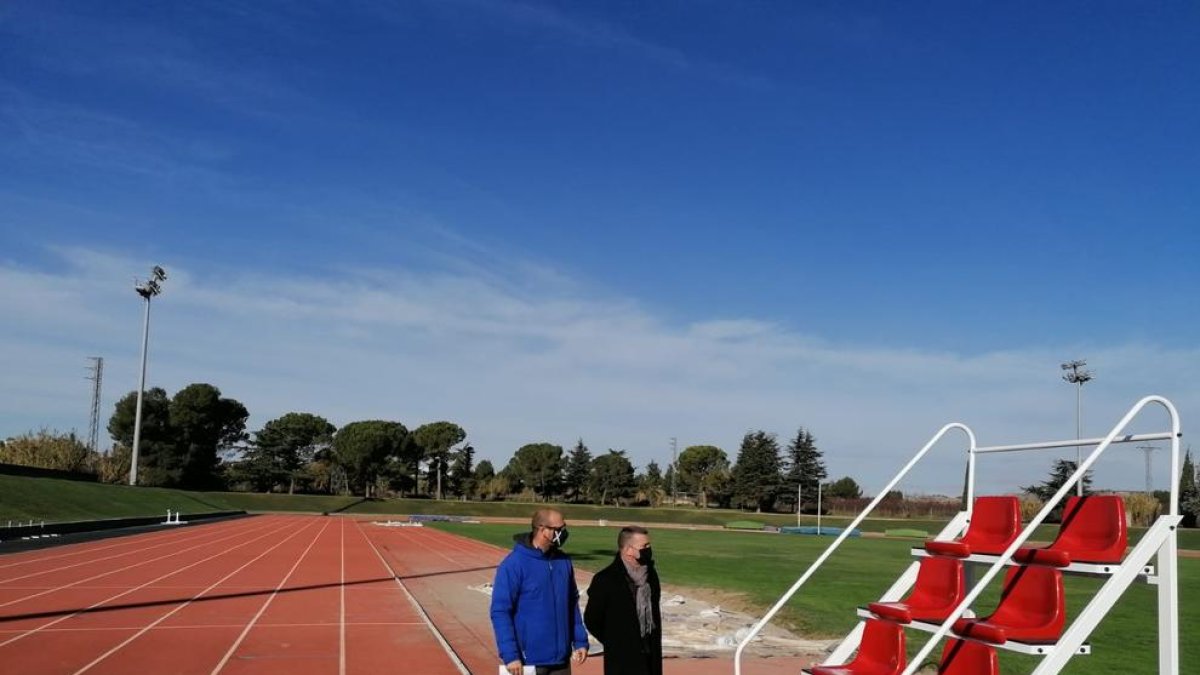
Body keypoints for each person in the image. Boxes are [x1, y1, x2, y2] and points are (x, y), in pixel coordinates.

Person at [490, 508, 589, 675]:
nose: (564, 533)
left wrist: (579, 641)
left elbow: (571, 603)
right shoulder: (514, 564)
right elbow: (500, 611)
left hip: (561, 660)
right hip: (527, 660)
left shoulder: (563, 561)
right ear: (543, 530)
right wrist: (510, 655)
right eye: (559, 529)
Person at [584, 525, 662, 675]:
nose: (649, 549)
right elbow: (592, 620)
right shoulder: (605, 580)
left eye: (649, 545)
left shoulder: (651, 576)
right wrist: (615, 642)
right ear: (628, 550)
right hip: (621, 661)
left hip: (650, 658)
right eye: (644, 546)